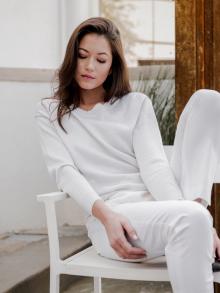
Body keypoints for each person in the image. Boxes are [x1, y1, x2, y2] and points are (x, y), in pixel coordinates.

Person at [35, 16, 220, 292]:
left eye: (101, 60)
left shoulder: (135, 104)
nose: (89, 66)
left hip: (162, 206)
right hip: (113, 219)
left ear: (112, 67)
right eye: (82, 56)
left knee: (208, 100)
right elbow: (65, 172)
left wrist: (198, 215)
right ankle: (196, 219)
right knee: (191, 219)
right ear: (71, 57)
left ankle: (198, 212)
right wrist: (106, 216)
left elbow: (155, 168)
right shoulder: (50, 112)